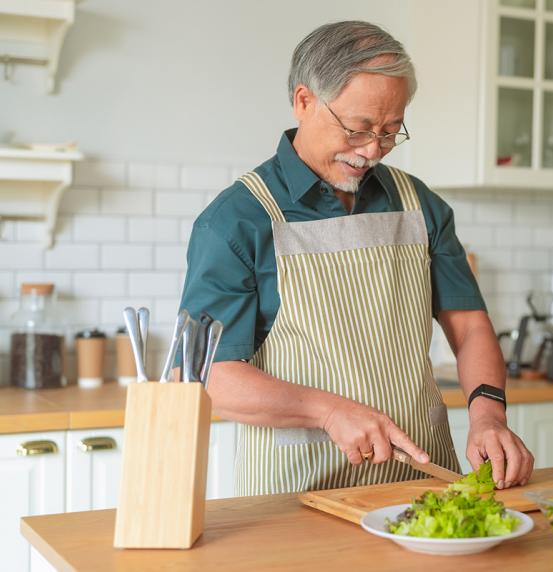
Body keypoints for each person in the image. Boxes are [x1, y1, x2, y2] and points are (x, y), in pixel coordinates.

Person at [178, 20, 534, 495]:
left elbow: (469, 327)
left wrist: (488, 412)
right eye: (358, 129)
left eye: (389, 132)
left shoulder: (419, 204)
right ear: (304, 101)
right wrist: (327, 411)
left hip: (421, 483)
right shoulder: (237, 220)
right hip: (297, 493)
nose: (371, 150)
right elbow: (210, 378)